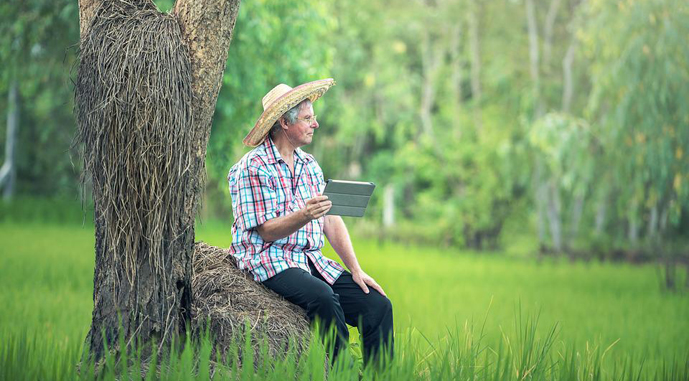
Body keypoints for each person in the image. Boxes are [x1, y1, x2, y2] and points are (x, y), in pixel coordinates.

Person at [227, 78, 393, 364]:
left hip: (308, 260)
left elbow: (330, 219)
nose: (315, 124)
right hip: (267, 260)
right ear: (284, 123)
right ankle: (343, 373)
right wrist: (305, 214)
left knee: (377, 305)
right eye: (307, 119)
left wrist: (355, 269)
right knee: (323, 297)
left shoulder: (310, 165)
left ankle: (384, 375)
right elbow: (266, 232)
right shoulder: (251, 168)